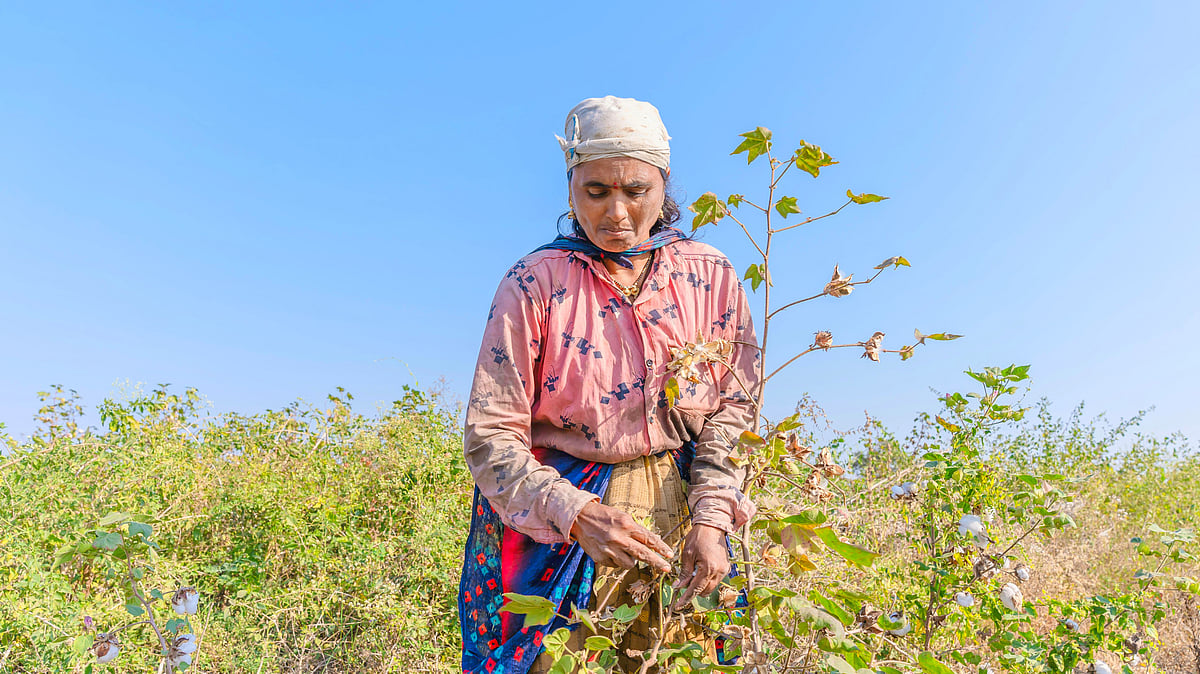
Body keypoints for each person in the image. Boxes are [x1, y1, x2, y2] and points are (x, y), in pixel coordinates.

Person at [458, 96, 759, 673]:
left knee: (681, 655)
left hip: (683, 507)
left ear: (663, 185)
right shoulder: (534, 282)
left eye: (635, 191)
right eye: (596, 192)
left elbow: (734, 409)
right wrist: (575, 514)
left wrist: (714, 519)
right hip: (560, 520)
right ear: (571, 189)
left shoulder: (709, 275)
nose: (616, 212)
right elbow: (492, 436)